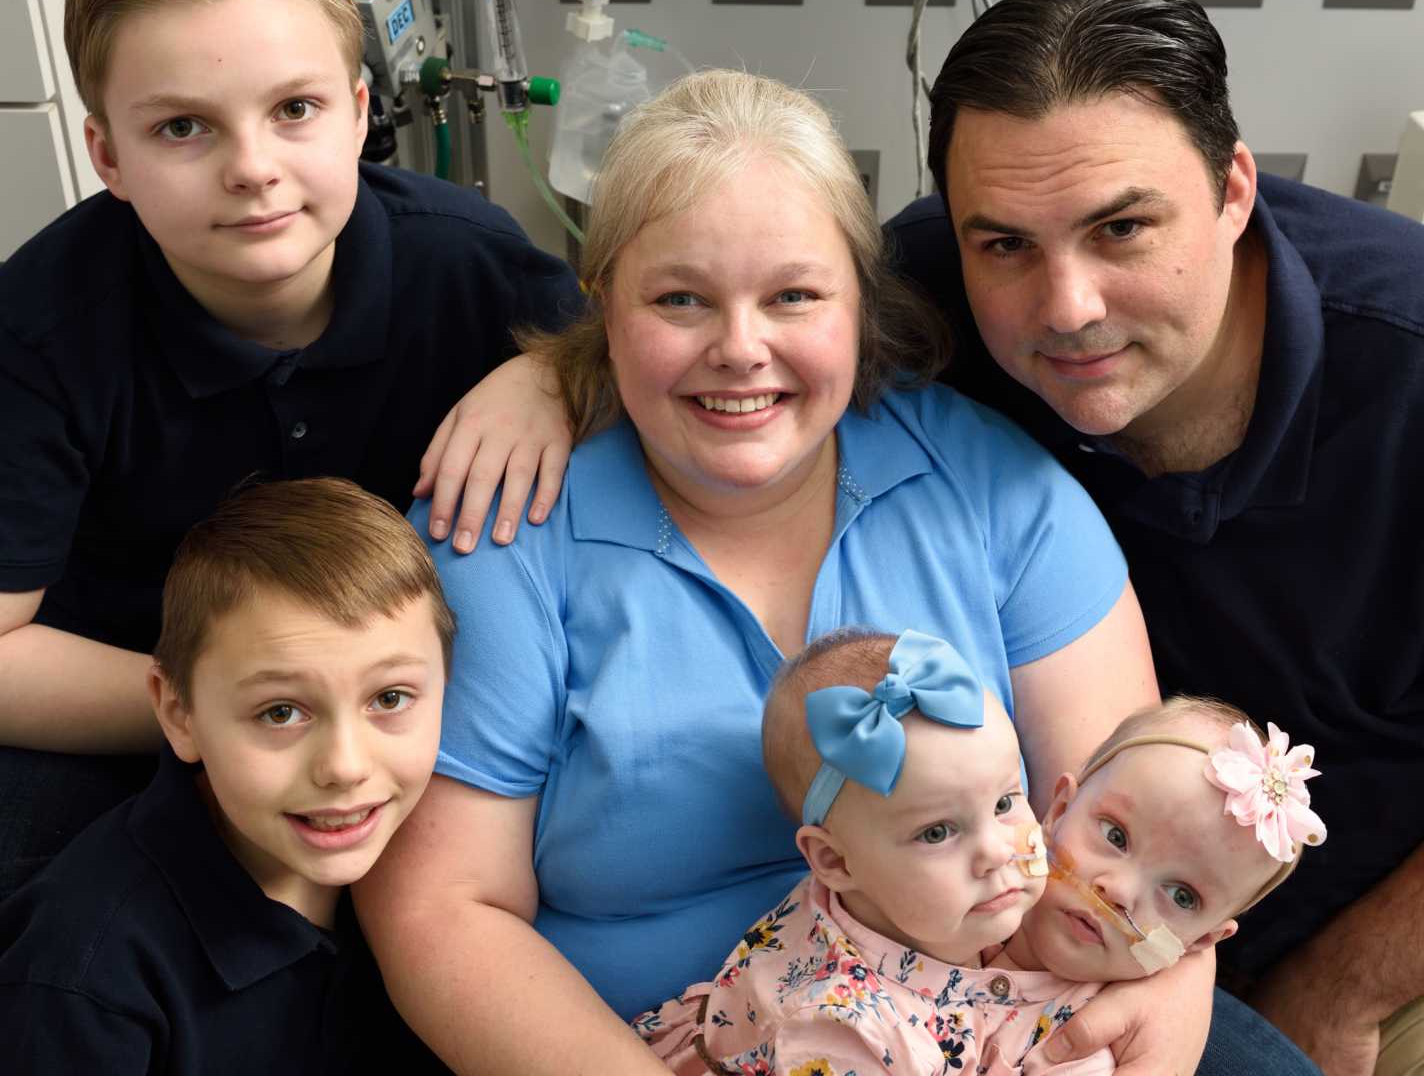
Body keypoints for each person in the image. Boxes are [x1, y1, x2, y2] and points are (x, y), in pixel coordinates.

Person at [356, 69, 1196, 1076]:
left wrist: (1154, 1000)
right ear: (605, 305)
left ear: (857, 299)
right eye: (680, 300)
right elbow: (445, 912)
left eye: (793, 296)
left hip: (1016, 1031)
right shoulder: (499, 534)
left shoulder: (997, 495)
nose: (740, 349)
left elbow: (1139, 835)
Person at [880, 0, 1424, 1076]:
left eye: (1123, 228)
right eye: (1002, 246)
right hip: (1038, 925)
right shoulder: (928, 297)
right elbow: (714, 336)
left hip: (1404, 928)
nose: (1066, 305)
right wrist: (553, 390)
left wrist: (1341, 991)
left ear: (1234, 189)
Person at [0, 0, 577, 978]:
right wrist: (237, 721)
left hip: (396, 699)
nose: (252, 167)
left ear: (361, 110)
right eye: (183, 127)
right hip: (133, 689)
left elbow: (658, 370)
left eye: (294, 109)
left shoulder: (476, 270)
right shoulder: (33, 331)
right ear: (107, 153)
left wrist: (555, 372)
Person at [0, 478, 453, 1073]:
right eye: (280, 712)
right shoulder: (80, 986)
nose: (345, 766)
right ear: (179, 714)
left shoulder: (425, 894)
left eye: (389, 698)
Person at [635, 631, 1324, 1076]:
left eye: (1182, 897)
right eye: (938, 832)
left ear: (1201, 942)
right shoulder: (843, 1026)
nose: (998, 851)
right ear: (1060, 807)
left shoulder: (1072, 1038)